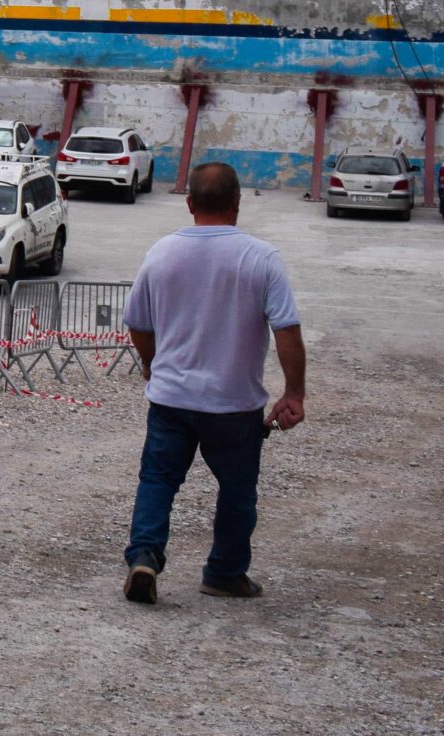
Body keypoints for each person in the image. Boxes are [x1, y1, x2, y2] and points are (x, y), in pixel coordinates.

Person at [119, 160, 305, 605]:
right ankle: (224, 573)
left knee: (158, 481)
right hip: (233, 403)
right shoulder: (261, 258)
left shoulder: (162, 252)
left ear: (189, 203)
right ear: (237, 203)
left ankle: (144, 557)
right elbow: (287, 331)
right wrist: (294, 393)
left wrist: (152, 364)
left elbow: (138, 324)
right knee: (237, 492)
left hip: (171, 399)